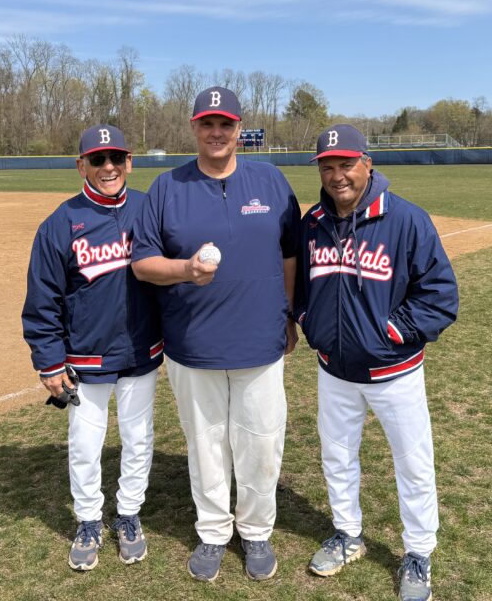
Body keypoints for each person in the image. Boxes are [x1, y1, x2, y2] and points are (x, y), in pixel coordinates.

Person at [130, 86, 300, 582]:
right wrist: (184, 268)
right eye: (207, 123)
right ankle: (212, 532)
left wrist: (287, 315)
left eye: (225, 124)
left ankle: (256, 531)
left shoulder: (270, 181)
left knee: (260, 441)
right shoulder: (167, 187)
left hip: (260, 339)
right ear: (194, 127)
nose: (217, 132)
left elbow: (290, 254)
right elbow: (142, 263)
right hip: (193, 342)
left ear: (238, 128)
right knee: (205, 442)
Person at [294, 124, 458, 601]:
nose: (337, 175)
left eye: (346, 164)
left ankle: (419, 552)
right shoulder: (311, 224)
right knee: (337, 456)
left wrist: (389, 333)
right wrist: (310, 320)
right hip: (334, 370)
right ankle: (348, 534)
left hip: (394, 371)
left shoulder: (406, 220)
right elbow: (301, 287)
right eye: (327, 166)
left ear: (368, 163)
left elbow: (440, 296)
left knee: (412, 462)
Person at [22, 124, 162, 572]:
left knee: (138, 439)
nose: (108, 167)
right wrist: (48, 360)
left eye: (116, 158)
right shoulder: (60, 224)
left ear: (129, 162)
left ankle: (128, 515)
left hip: (141, 351)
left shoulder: (149, 209)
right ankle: (87, 519)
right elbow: (42, 298)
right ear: (80, 164)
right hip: (85, 357)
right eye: (98, 159)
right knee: (85, 443)